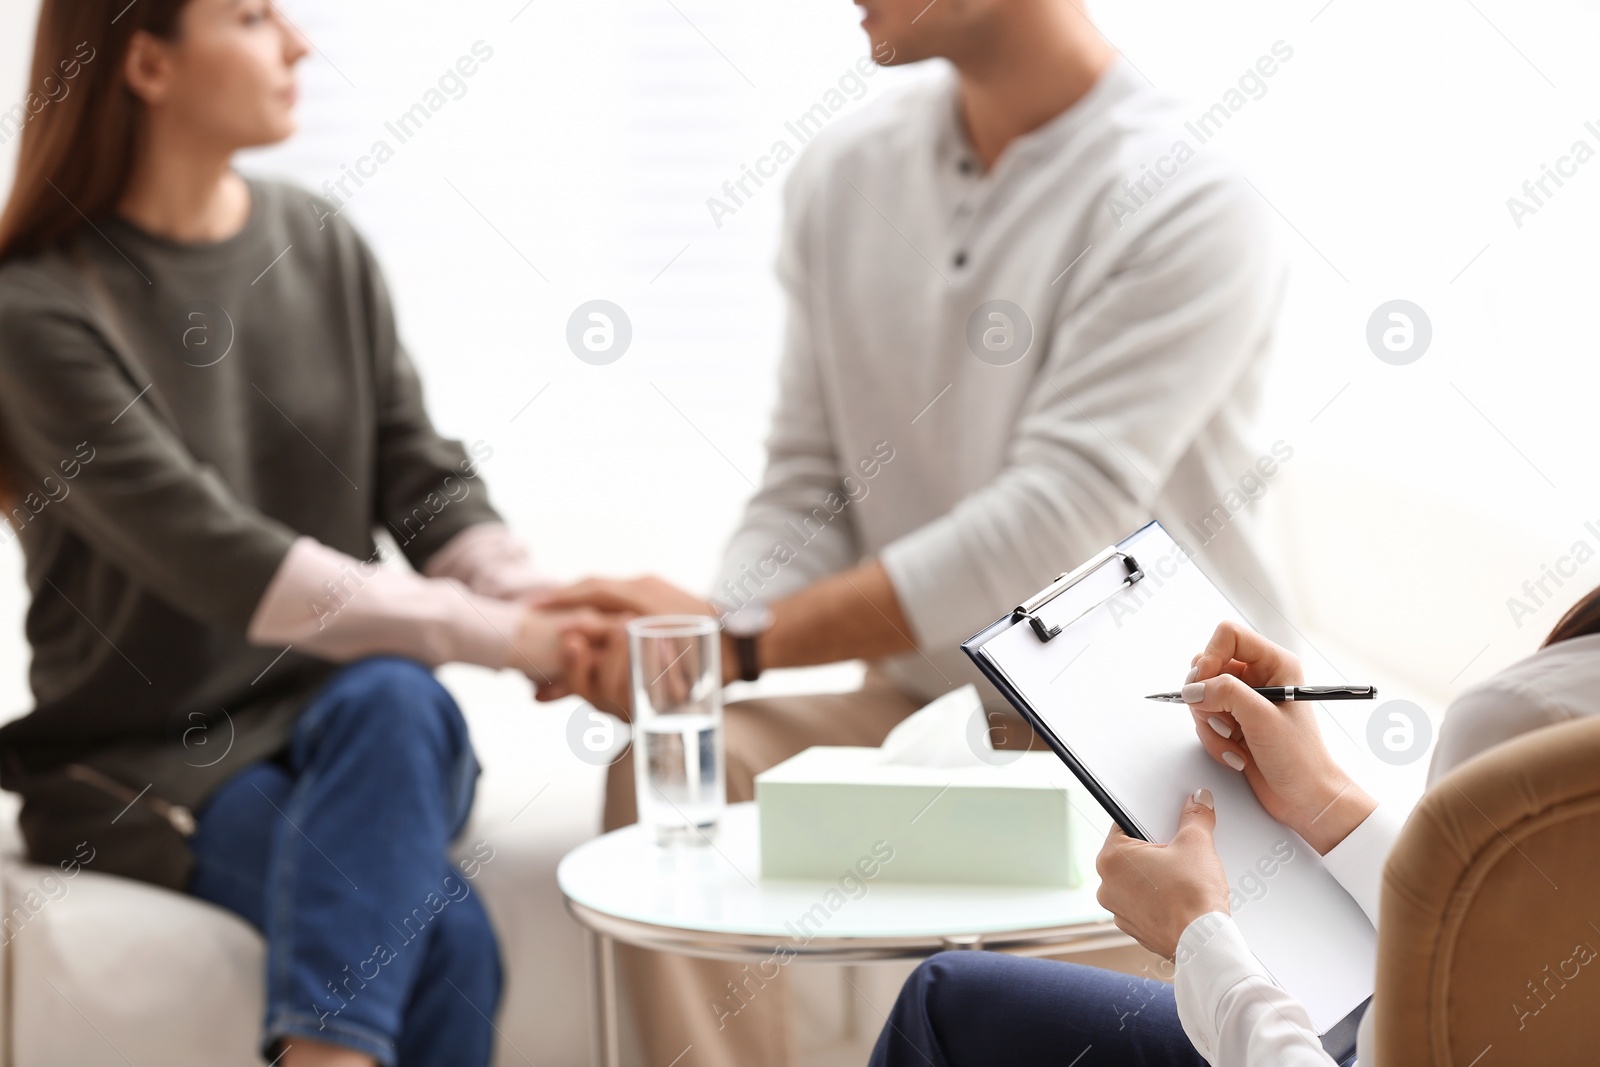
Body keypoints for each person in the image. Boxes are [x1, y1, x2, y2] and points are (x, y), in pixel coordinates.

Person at [540, 0, 1291, 1062]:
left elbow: (1051, 523)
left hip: (1143, 729)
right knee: (679, 768)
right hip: (922, 707)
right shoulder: (844, 176)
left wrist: (742, 643)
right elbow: (810, 481)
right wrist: (703, 646)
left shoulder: (1188, 195)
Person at [0, 2, 597, 1064]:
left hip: (354, 730)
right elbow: (220, 553)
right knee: (447, 943)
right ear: (145, 62)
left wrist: (541, 603)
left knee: (395, 691)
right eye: (251, 16)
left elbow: (422, 478)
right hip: (156, 766)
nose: (298, 43)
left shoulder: (315, 241)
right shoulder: (33, 310)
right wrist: (505, 641)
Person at [867, 587, 1600, 1066]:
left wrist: (1198, 935)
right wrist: (1324, 800)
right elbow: (1503, 955)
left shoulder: (1531, 721)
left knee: (942, 1001)